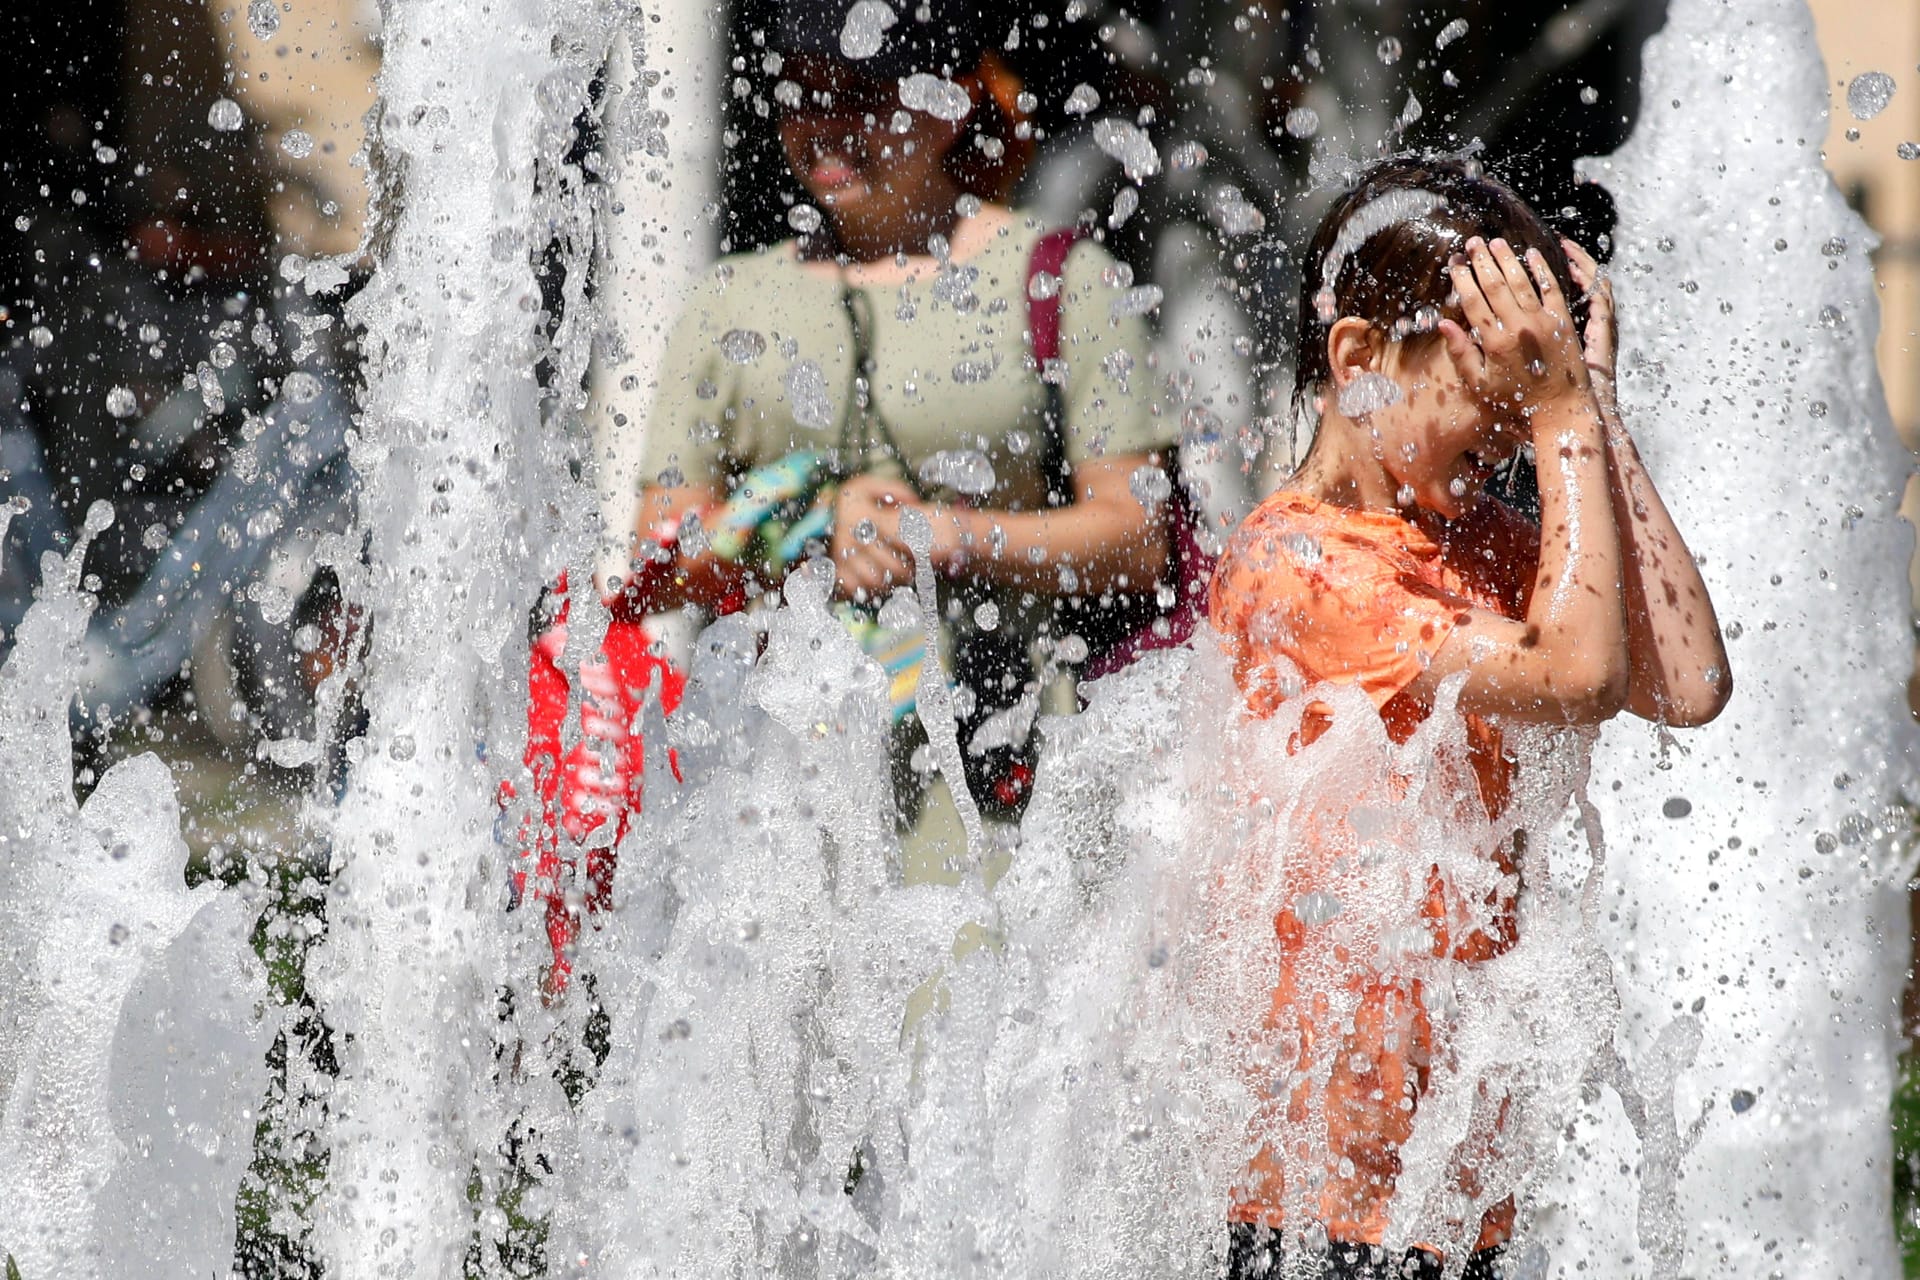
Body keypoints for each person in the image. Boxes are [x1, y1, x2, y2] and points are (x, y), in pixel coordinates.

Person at [1207, 157, 1731, 1279]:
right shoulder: (1297, 564)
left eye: (1515, 430)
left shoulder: (1476, 540)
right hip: (1314, 1195)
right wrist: (1556, 412)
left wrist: (1593, 413)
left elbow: (1684, 682)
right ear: (1358, 364)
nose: (1503, 455)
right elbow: (1577, 673)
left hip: (1457, 1185)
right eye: (1483, 416)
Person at [621, 0, 1174, 880]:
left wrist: (945, 538)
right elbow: (665, 553)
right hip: (780, 798)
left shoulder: (1065, 281)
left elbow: (1137, 540)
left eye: (859, 93)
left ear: (946, 100)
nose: (824, 127)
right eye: (802, 94)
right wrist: (807, 523)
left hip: (1008, 786)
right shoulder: (727, 304)